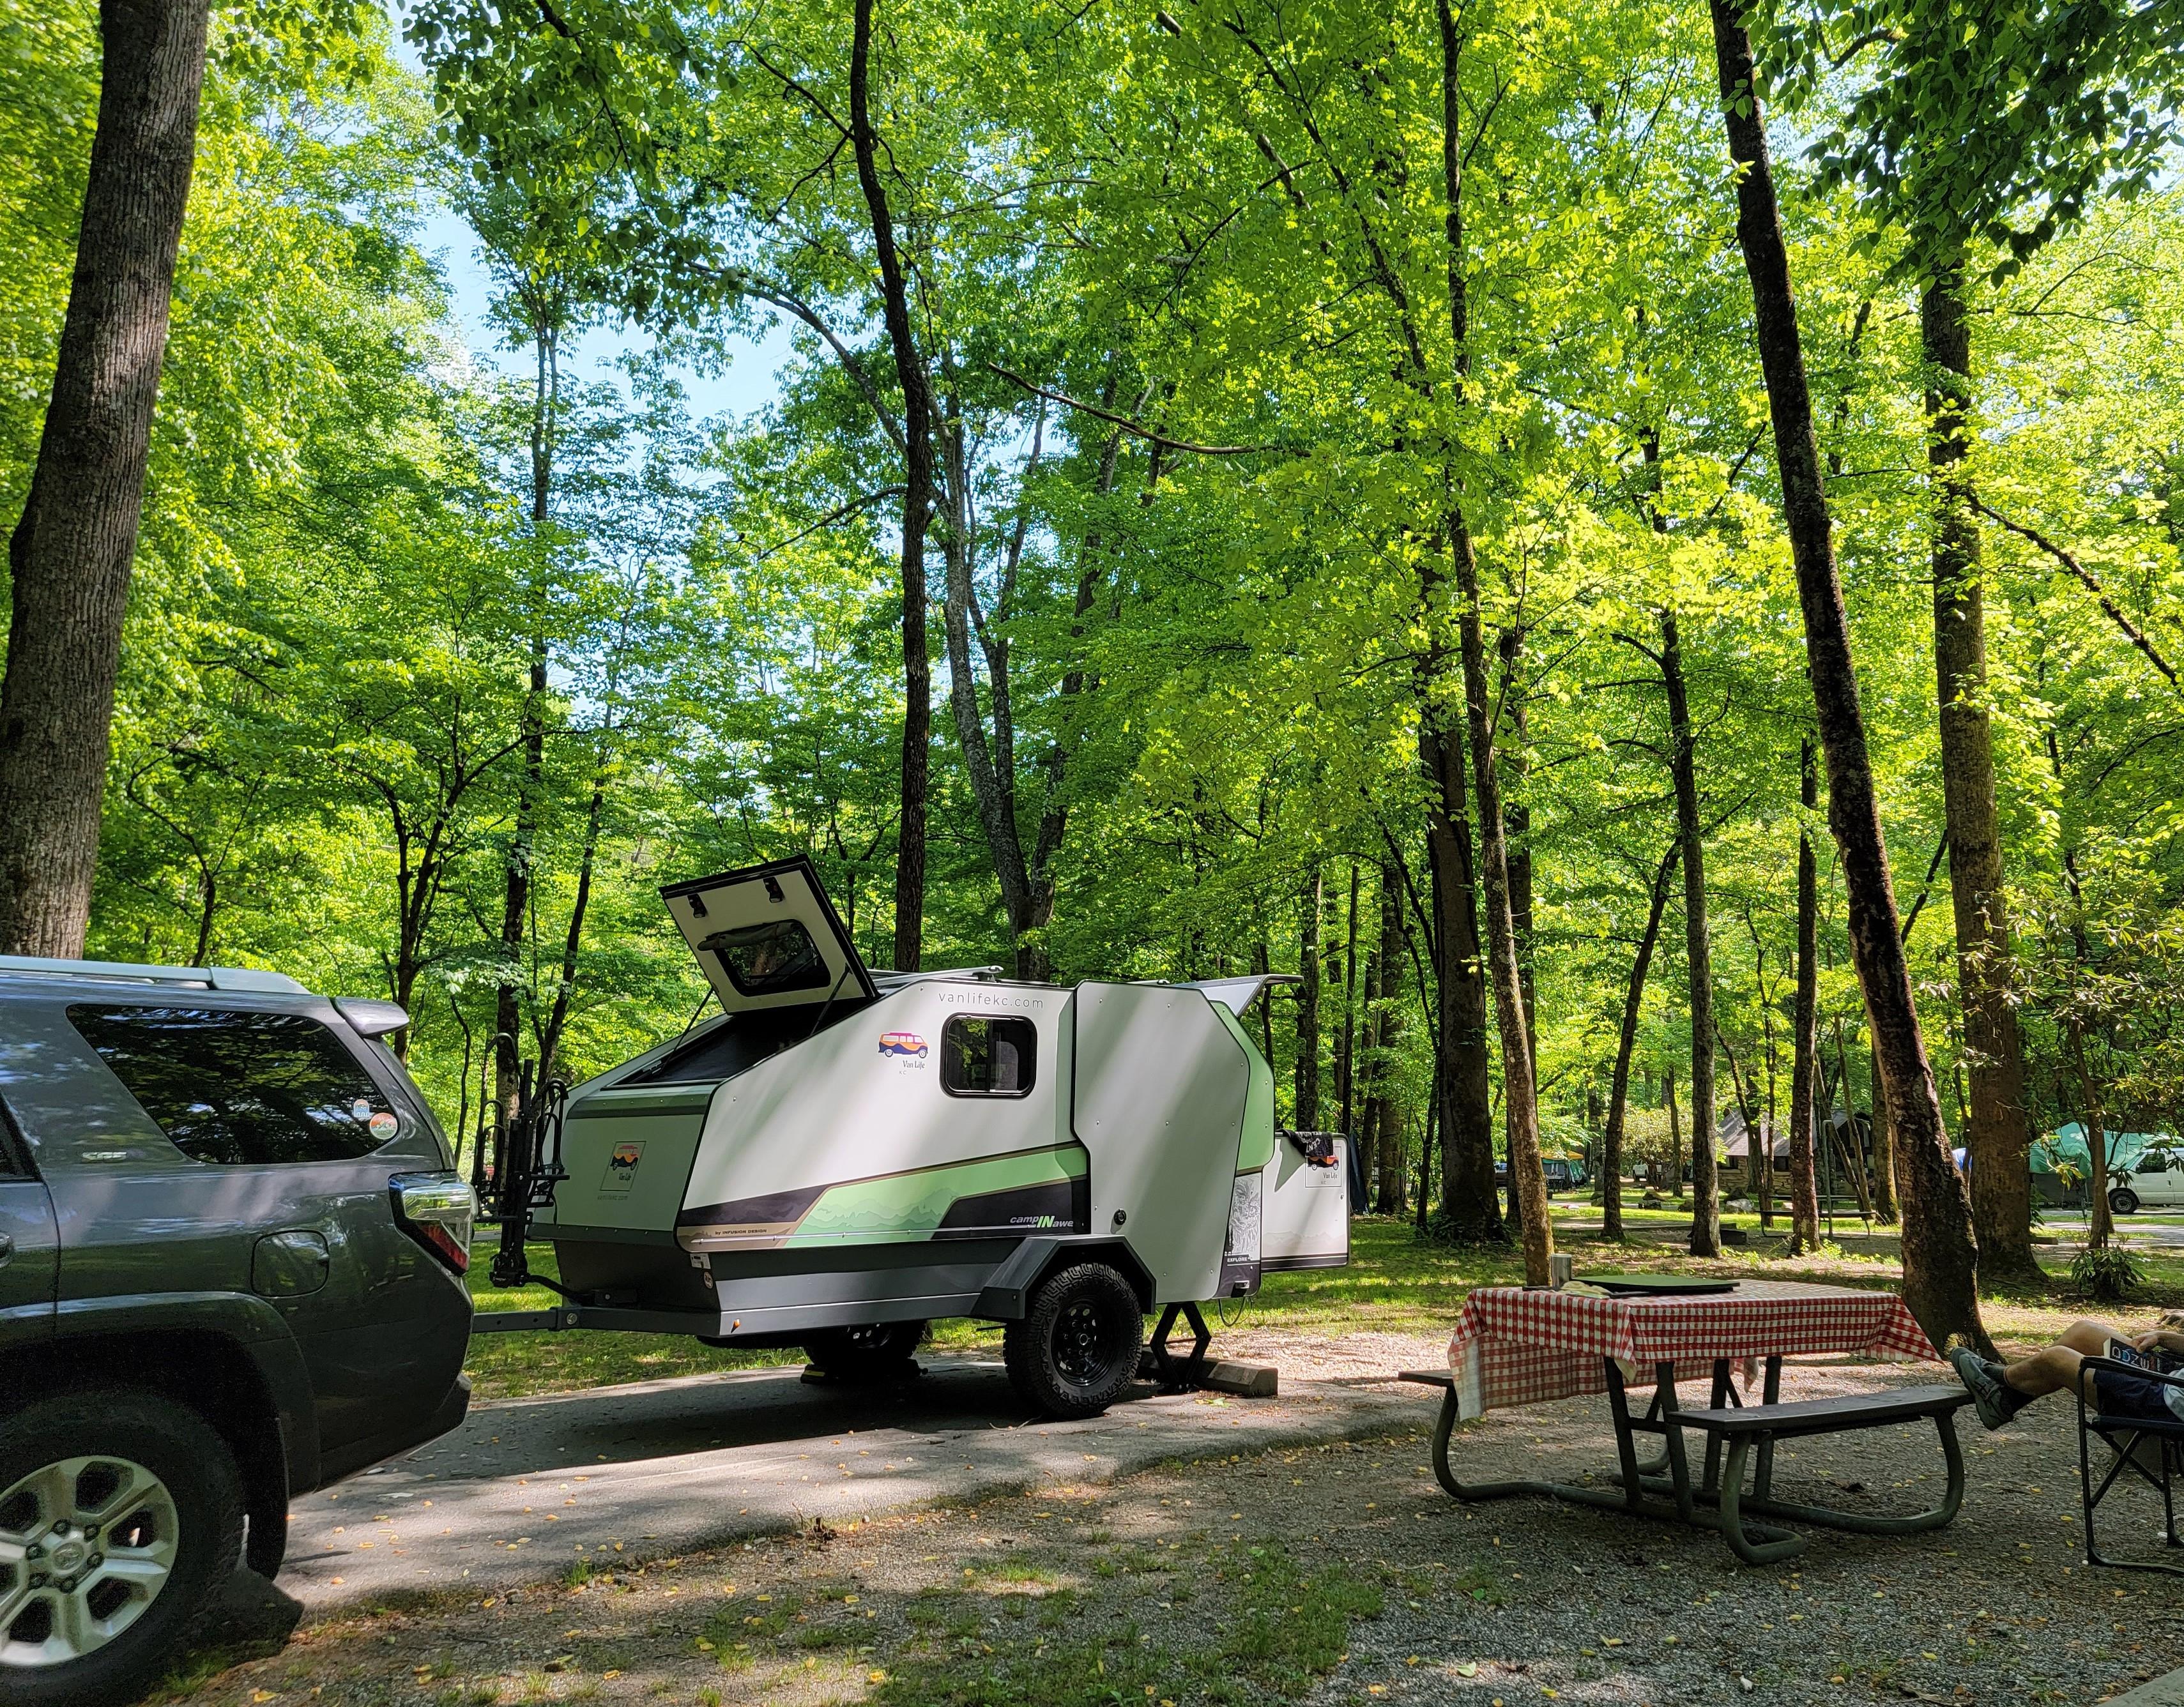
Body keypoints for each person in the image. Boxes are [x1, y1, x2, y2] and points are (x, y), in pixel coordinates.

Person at [1949, 1319, 2184, 1432]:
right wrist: (2162, 1337)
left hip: (2164, 1404)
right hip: (2170, 1376)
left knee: (2056, 1358)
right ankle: (2004, 1398)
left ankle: (2000, 1385)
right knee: (2082, 1333)